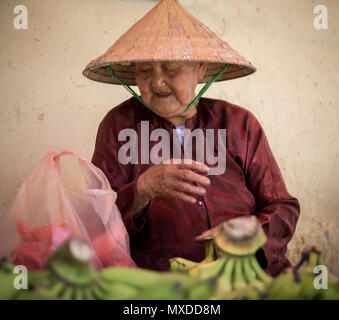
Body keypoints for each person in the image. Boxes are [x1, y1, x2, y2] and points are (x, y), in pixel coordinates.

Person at [83, 0, 300, 277]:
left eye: (170, 68)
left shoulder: (239, 124)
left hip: (249, 276)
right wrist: (142, 190)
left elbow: (283, 206)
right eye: (145, 71)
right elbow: (93, 221)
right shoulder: (118, 126)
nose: (157, 82)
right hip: (158, 284)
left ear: (200, 69)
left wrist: (248, 235)